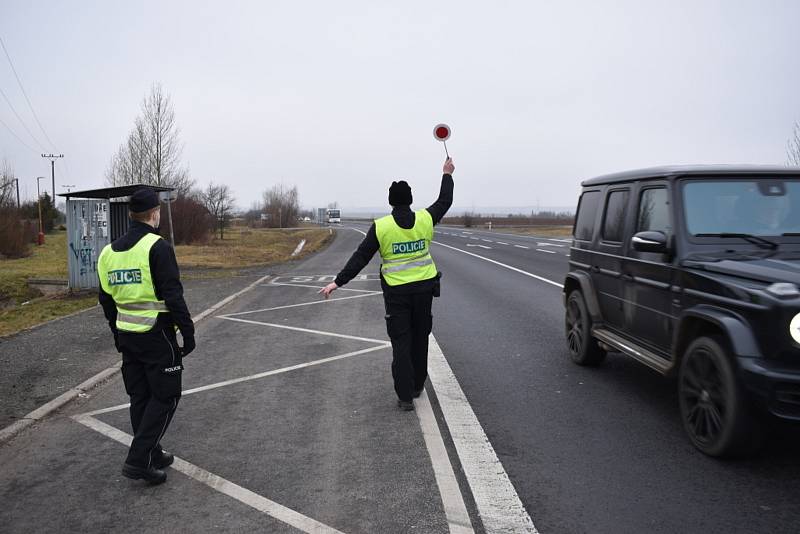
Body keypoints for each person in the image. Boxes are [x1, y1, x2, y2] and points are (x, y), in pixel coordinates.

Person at [319, 157, 455, 411]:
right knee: (420, 338)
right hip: (425, 290)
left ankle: (405, 397)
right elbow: (444, 202)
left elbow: (361, 256)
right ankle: (416, 385)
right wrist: (446, 174)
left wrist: (338, 282)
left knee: (401, 342)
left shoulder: (381, 227)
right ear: (410, 200)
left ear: (391, 201)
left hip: (397, 294)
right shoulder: (425, 219)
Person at [97, 187, 195, 485]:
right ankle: (138, 460)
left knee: (140, 397)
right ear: (155, 213)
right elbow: (173, 296)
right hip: (157, 336)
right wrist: (187, 333)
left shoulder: (108, 252)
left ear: (130, 214)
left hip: (128, 336)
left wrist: (117, 333)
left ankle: (152, 452)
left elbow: (106, 300)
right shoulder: (158, 247)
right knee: (166, 397)